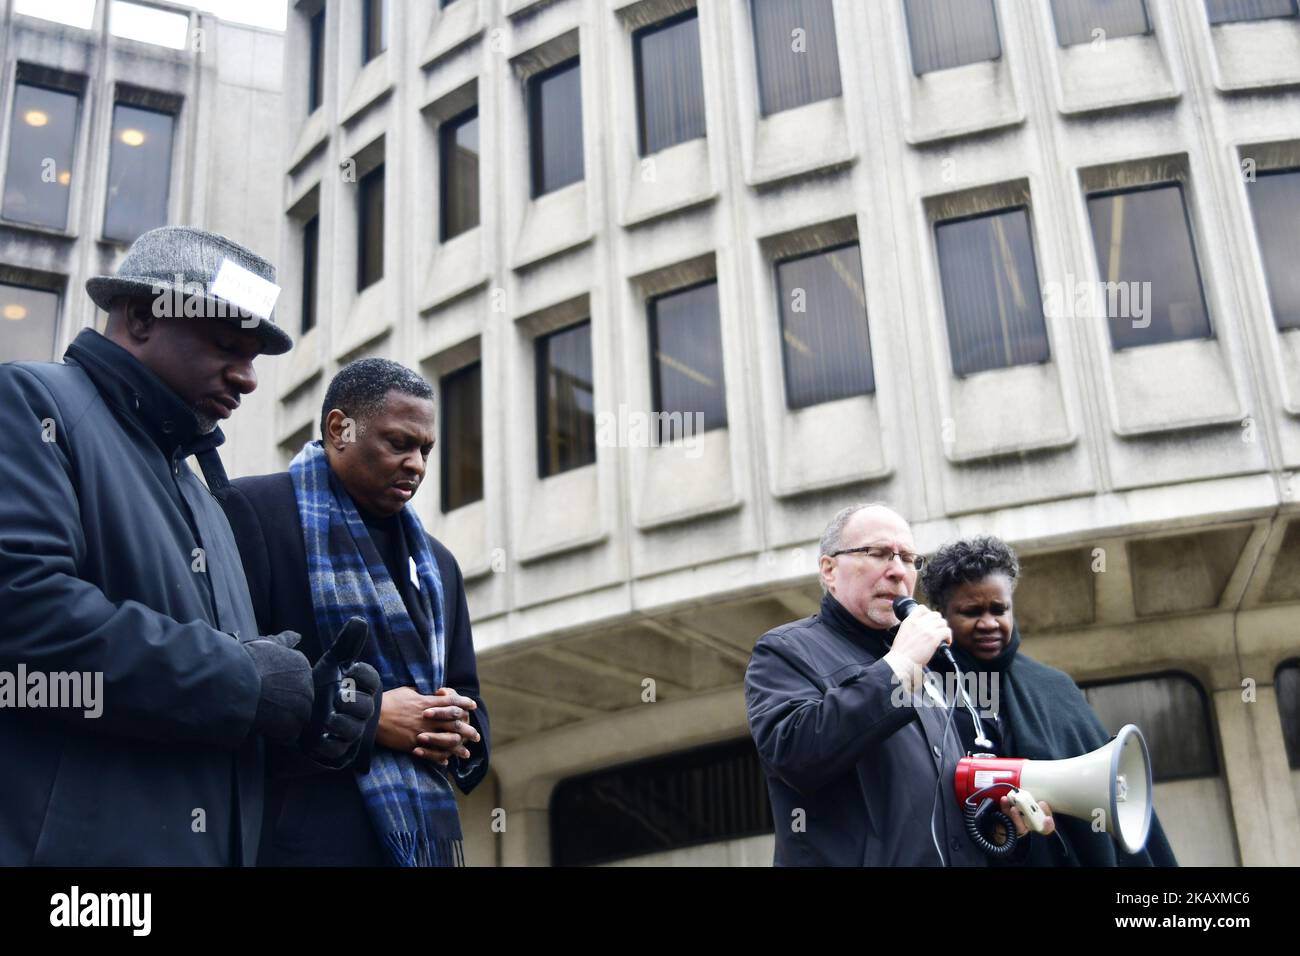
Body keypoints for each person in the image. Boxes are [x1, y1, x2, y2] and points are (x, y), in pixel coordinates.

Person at [0, 226, 379, 865]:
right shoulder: (32, 403)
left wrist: (304, 715)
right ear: (144, 317)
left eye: (255, 355)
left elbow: (201, 705)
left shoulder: (200, 494)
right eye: (227, 345)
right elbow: (24, 614)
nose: (249, 377)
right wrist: (243, 680)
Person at [220, 358, 490, 866]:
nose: (417, 465)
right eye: (399, 443)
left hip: (413, 844)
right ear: (339, 429)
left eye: (425, 450)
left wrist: (453, 725)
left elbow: (468, 691)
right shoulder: (251, 510)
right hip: (292, 844)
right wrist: (371, 721)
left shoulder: (439, 565)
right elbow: (231, 675)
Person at [745, 502, 1048, 866]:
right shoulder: (784, 650)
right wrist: (899, 666)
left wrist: (999, 832)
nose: (898, 571)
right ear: (829, 569)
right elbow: (795, 754)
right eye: (878, 554)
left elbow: (941, 811)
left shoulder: (929, 669)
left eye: (908, 558)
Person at [920, 535, 1179, 866]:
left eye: (999, 609)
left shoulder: (1055, 686)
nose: (989, 623)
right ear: (942, 615)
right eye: (971, 612)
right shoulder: (927, 691)